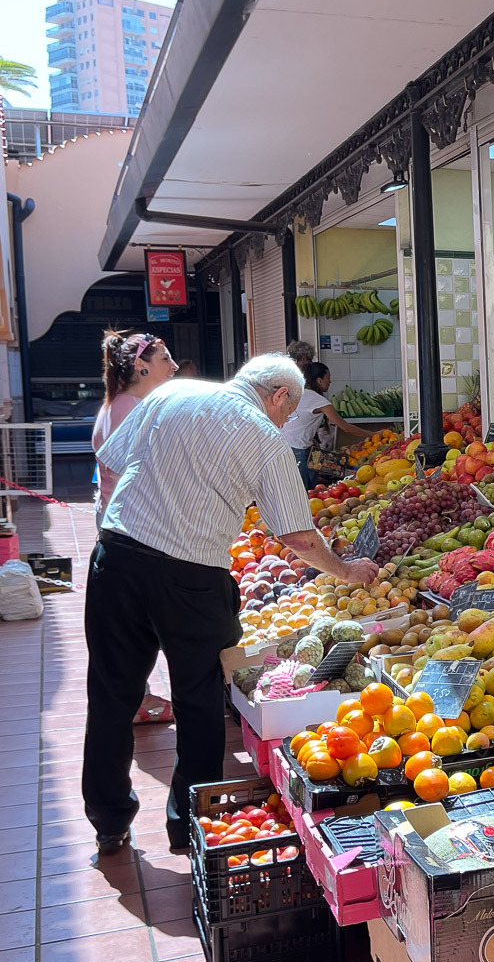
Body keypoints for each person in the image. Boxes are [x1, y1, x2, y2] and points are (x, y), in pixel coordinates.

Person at [85, 355, 379, 855]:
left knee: (112, 693)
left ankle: (109, 820)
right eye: (289, 410)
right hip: (191, 576)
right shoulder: (265, 438)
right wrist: (348, 570)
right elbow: (298, 536)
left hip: (116, 557)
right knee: (199, 701)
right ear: (280, 395)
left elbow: (110, 459)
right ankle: (189, 827)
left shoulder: (171, 393)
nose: (288, 421)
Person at [93, 331, 181, 725]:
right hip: (133, 531)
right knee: (140, 625)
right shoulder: (133, 407)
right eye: (166, 359)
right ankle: (137, 701)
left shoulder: (122, 403)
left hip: (119, 523)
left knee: (132, 624)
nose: (174, 366)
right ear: (142, 366)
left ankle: (137, 697)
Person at [281, 362, 376, 488]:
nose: (330, 382)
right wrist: (373, 434)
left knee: (296, 491)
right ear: (319, 380)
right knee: (302, 493)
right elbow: (346, 427)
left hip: (283, 447)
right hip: (296, 450)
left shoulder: (296, 394)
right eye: (328, 378)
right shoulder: (317, 400)